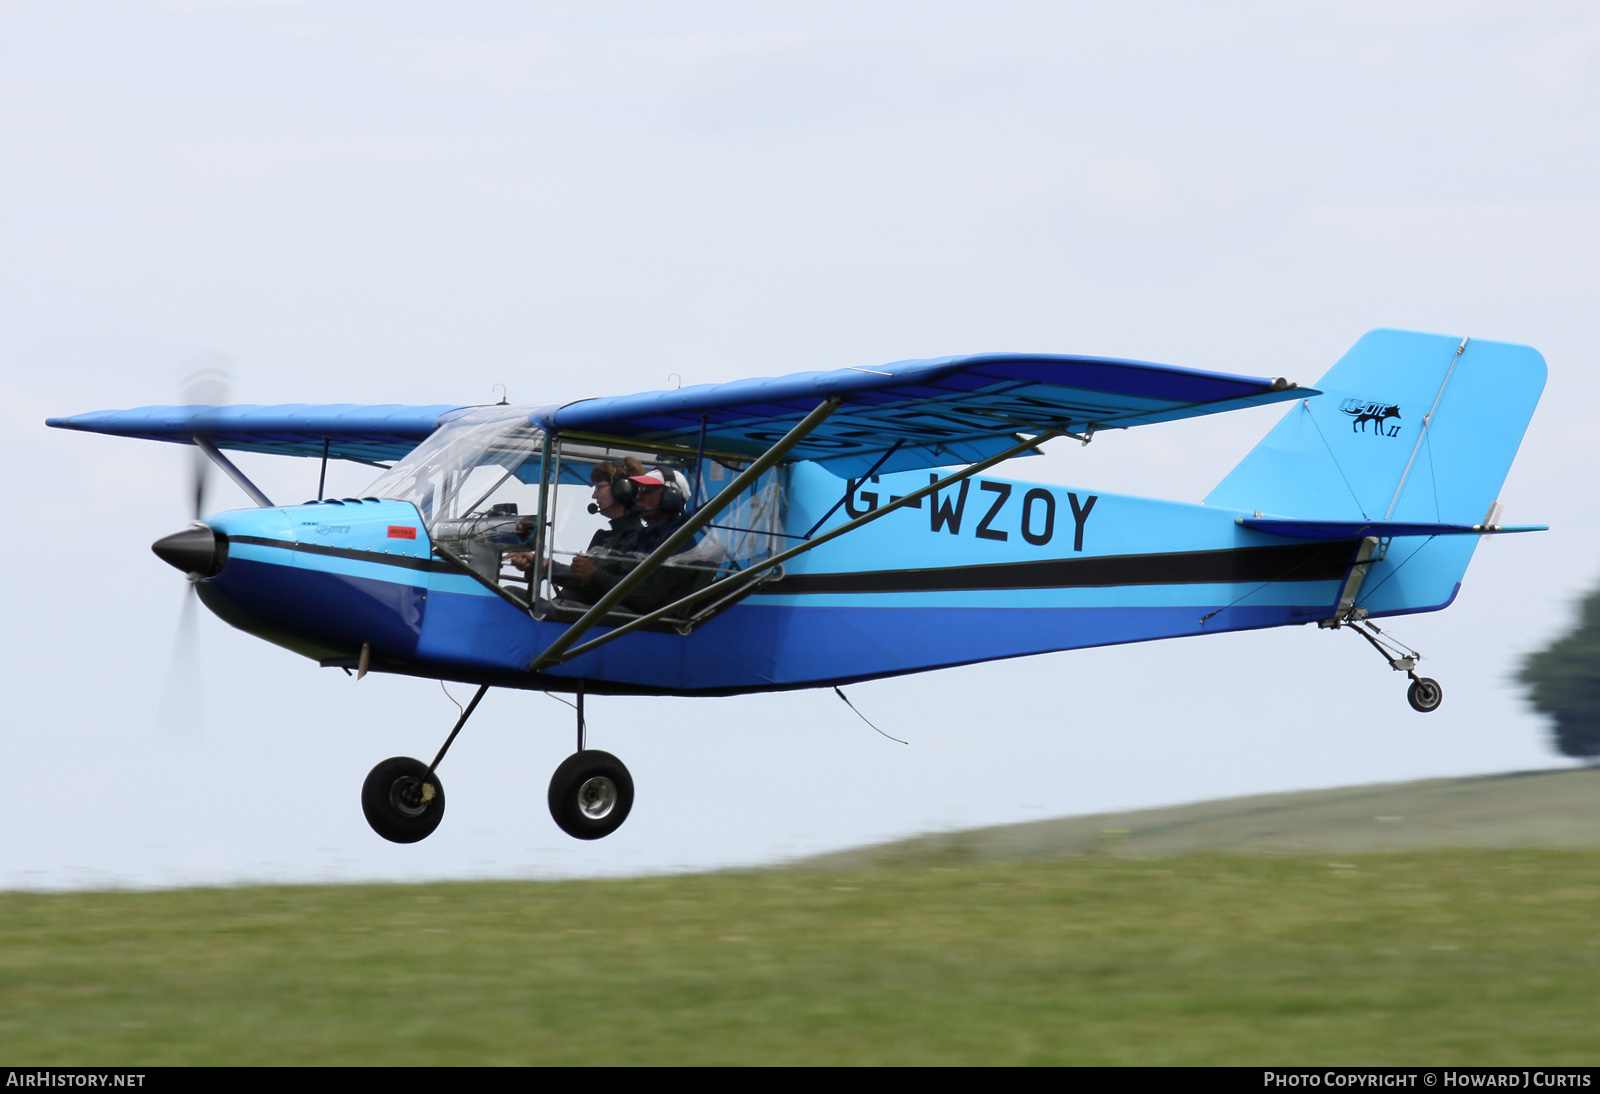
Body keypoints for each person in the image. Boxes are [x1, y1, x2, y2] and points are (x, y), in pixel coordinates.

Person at [509, 458, 645, 605]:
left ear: (622, 490)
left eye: (599, 487)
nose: (594, 495)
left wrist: (548, 566)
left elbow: (592, 582)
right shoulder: (603, 537)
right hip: (569, 608)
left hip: (585, 617)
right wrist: (540, 564)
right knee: (510, 593)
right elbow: (578, 579)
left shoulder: (637, 538)